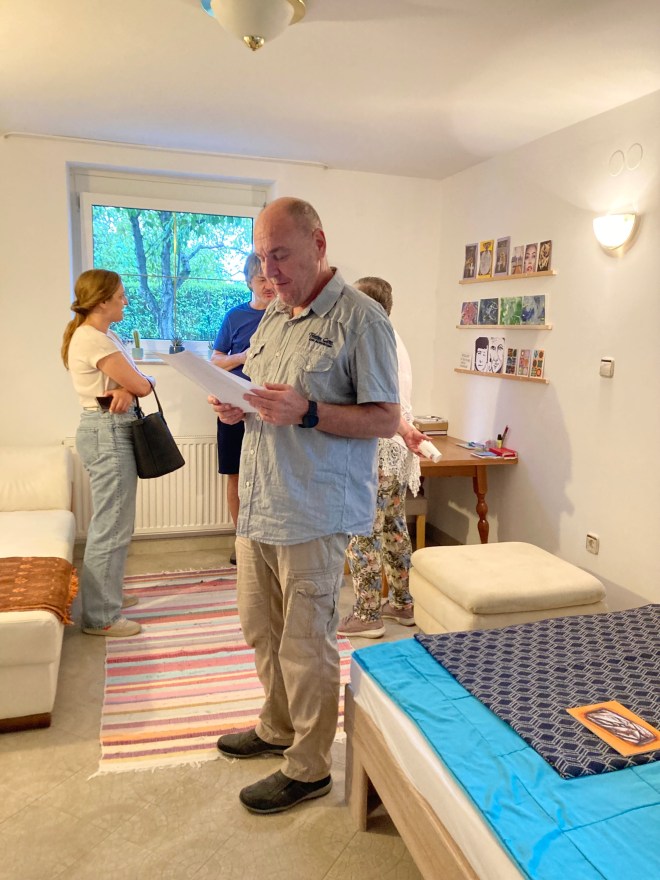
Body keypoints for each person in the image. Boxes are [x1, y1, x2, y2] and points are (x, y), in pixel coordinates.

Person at [208, 197, 400, 815]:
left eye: (281, 255)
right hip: (260, 505)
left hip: (314, 513)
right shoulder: (273, 315)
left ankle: (310, 766)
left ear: (318, 244)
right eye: (262, 257)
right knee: (261, 630)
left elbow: (385, 418)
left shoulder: (362, 320)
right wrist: (237, 405)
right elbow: (266, 397)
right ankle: (277, 727)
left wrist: (310, 411)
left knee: (305, 643)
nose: (269, 271)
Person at [61, 269, 155, 637]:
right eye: (120, 296)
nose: (126, 301)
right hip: (106, 431)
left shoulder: (105, 336)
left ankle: (107, 595)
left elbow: (139, 381)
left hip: (110, 428)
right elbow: (142, 384)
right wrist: (135, 387)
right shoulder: (92, 339)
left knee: (117, 522)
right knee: (111, 525)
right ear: (102, 301)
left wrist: (130, 388)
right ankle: (101, 617)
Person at [338, 277, 427, 639]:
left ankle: (367, 613)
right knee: (394, 527)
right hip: (398, 449)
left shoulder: (368, 337)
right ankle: (403, 604)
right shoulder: (394, 336)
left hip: (377, 448)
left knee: (363, 530)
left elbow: (370, 401)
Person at [211, 254, 276, 562]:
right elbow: (215, 361)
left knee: (269, 475)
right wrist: (242, 357)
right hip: (233, 407)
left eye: (272, 278)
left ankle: (268, 542)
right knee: (235, 475)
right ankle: (242, 543)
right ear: (249, 282)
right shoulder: (235, 316)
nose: (268, 285)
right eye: (261, 279)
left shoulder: (286, 316)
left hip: (271, 410)